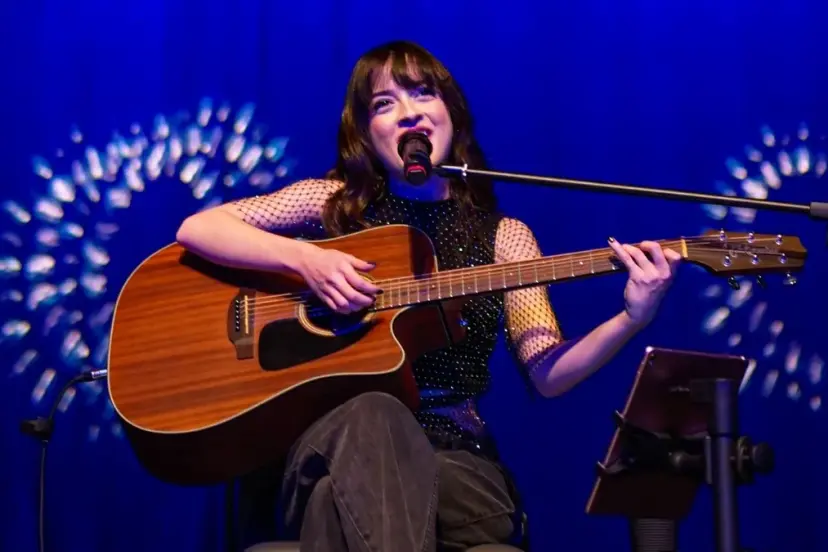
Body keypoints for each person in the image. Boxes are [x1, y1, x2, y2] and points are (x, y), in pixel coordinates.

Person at [175, 40, 682, 552]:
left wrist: (631, 318)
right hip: (329, 442)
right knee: (373, 413)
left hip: (454, 464)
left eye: (423, 94)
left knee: (335, 500)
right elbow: (200, 228)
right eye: (384, 103)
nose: (408, 112)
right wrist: (305, 259)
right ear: (366, 133)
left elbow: (548, 374)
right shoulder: (333, 207)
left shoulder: (504, 239)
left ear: (451, 115)